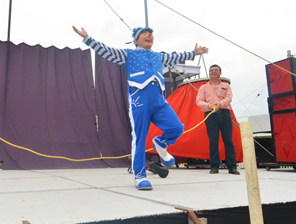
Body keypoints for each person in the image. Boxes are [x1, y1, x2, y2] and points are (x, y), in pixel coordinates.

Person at [73, 25, 209, 190]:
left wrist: (193, 53)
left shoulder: (158, 56)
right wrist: (87, 38)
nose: (149, 36)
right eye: (145, 34)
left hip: (159, 100)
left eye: (151, 34)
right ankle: (139, 175)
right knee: (139, 137)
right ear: (136, 39)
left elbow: (175, 57)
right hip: (139, 99)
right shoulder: (128, 54)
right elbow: (106, 50)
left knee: (177, 127)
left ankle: (160, 143)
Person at [196, 64, 240, 175]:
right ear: (209, 73)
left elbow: (229, 97)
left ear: (220, 73)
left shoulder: (226, 85)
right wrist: (208, 106)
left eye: (216, 70)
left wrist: (220, 104)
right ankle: (214, 166)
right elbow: (199, 101)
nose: (213, 71)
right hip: (210, 114)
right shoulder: (203, 88)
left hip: (225, 113)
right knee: (213, 141)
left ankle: (232, 167)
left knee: (228, 141)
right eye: (211, 70)